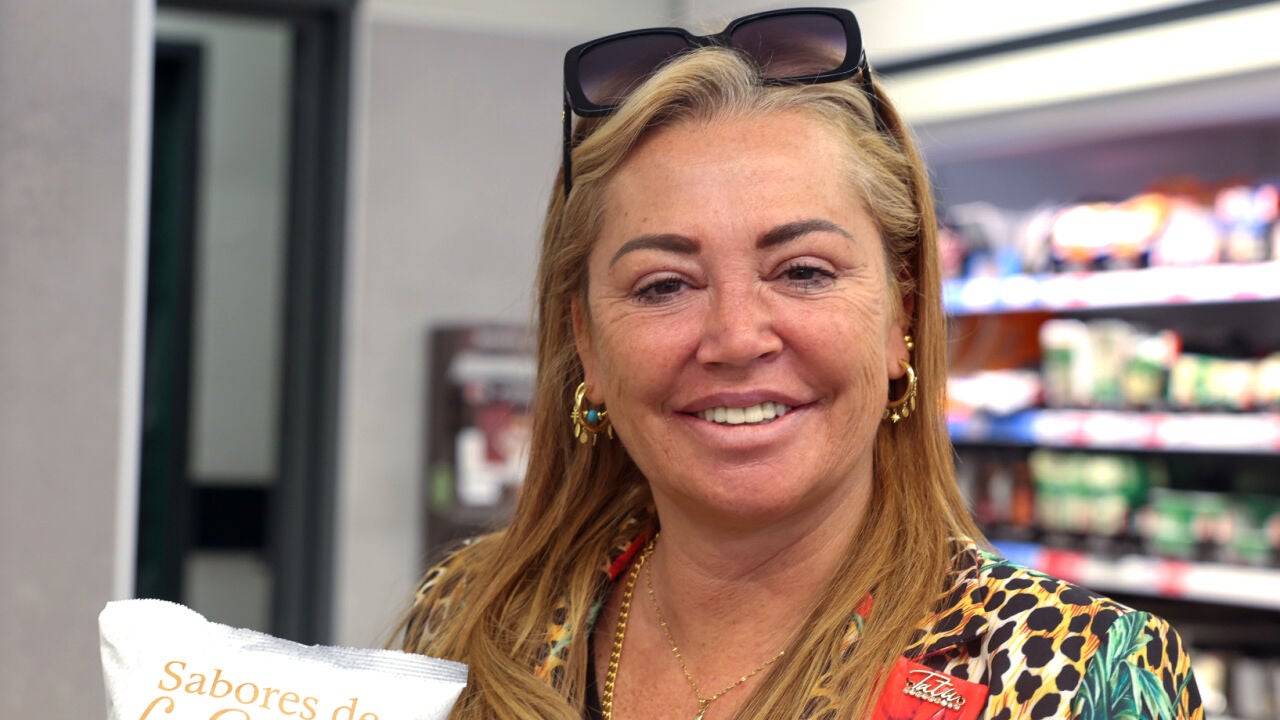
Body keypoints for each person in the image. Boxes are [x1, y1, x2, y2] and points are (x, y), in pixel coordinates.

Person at [396, 8, 1203, 719]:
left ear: (901, 317)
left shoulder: (1076, 675)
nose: (736, 337)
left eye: (804, 272)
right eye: (664, 285)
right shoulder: (471, 618)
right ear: (588, 346)